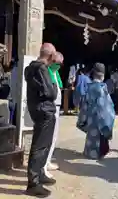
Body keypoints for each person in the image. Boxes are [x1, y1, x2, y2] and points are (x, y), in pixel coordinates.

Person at [25, 43, 57, 197]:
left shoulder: (31, 68)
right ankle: (33, 182)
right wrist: (54, 85)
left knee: (44, 145)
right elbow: (51, 93)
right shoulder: (42, 69)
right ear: (51, 56)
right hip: (44, 110)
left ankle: (39, 174)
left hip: (38, 109)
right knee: (40, 146)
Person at [77, 63, 115, 160]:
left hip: (90, 116)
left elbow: (84, 104)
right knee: (100, 136)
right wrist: (109, 118)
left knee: (91, 135)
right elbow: (107, 106)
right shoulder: (102, 88)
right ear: (102, 75)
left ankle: (89, 152)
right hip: (100, 117)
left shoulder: (89, 87)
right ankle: (99, 153)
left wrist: (83, 118)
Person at [44, 51, 64, 178]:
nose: (59, 65)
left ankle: (48, 161)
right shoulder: (47, 72)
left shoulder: (56, 73)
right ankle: (43, 165)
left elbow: (60, 87)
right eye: (57, 63)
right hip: (50, 107)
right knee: (48, 137)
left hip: (57, 108)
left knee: (54, 137)